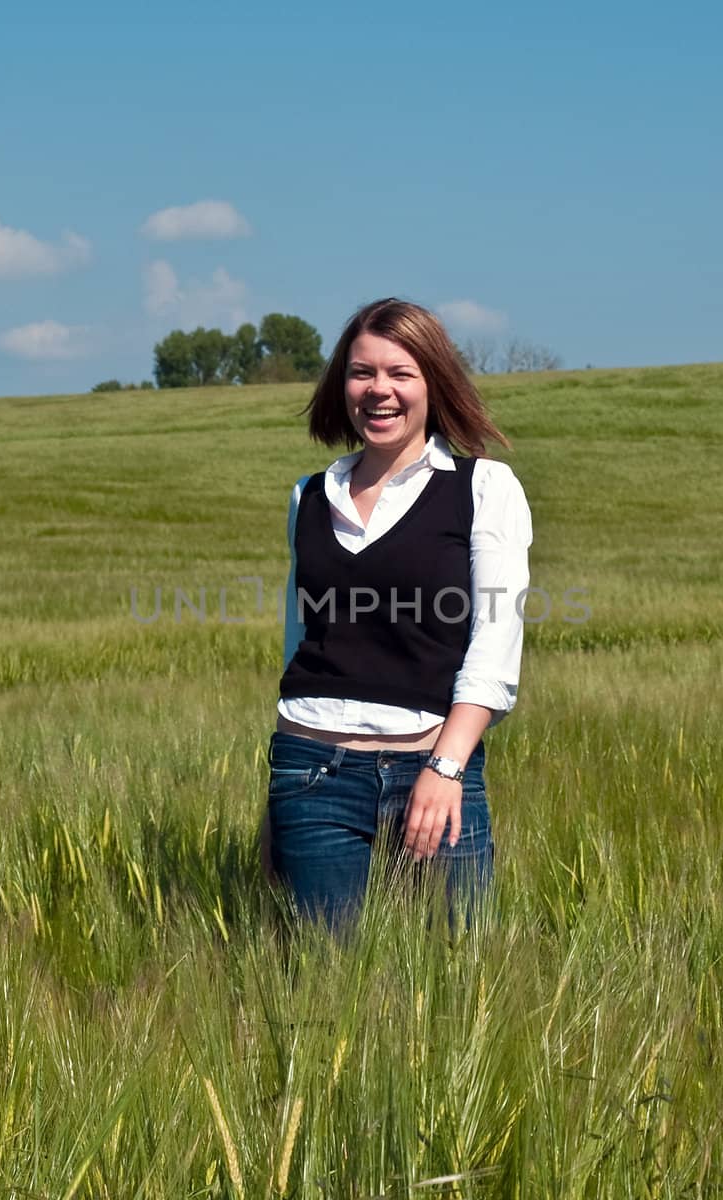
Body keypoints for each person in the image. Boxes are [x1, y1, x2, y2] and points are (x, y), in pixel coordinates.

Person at [263, 298, 533, 931]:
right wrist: (286, 781)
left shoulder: (484, 489)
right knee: (324, 986)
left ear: (432, 384)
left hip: (436, 767)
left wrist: (445, 768)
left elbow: (496, 644)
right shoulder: (309, 495)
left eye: (399, 373)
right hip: (311, 770)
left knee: (461, 982)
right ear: (341, 384)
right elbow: (300, 639)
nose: (378, 390)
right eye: (361, 373)